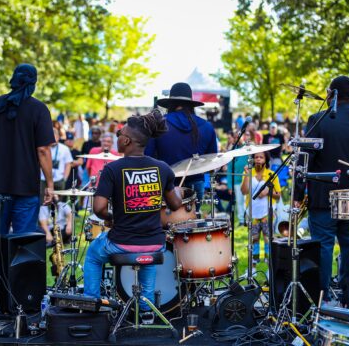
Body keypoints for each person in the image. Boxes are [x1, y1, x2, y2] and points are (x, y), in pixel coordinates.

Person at [83, 109, 182, 324]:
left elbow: (98, 208)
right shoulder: (162, 168)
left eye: (119, 133)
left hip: (122, 243)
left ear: (126, 140)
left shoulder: (113, 169)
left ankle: (91, 302)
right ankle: (145, 309)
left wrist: (110, 218)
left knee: (92, 255)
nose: (118, 136)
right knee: (148, 259)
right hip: (155, 244)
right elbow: (175, 204)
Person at [293, 75, 349, 299]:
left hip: (323, 197)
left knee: (324, 246)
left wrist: (297, 194)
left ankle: (323, 298)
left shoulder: (318, 120)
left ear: (332, 94)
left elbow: (304, 161)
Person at [0, 63, 55, 297]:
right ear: (33, 83)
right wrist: (50, 184)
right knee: (23, 242)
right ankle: (18, 291)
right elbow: (43, 150)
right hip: (26, 188)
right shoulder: (38, 109)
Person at [145, 82, 217, 204]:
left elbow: (148, 157)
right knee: (192, 221)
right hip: (196, 184)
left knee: (166, 222)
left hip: (165, 184)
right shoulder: (207, 127)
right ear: (191, 104)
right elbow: (211, 160)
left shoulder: (158, 124)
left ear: (170, 103)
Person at [240, 151, 281, 266]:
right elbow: (244, 191)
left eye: (261, 157)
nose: (258, 159)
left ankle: (269, 263)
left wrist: (268, 192)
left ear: (266, 160)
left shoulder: (271, 174)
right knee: (254, 238)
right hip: (252, 212)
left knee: (268, 238)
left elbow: (278, 195)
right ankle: (254, 263)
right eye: (256, 157)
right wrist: (247, 175)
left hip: (267, 212)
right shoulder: (248, 172)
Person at [40, 127, 73, 196]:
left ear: (58, 137)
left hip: (59, 180)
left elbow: (68, 164)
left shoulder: (65, 149)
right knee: (43, 203)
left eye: (55, 137)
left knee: (59, 203)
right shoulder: (43, 148)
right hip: (43, 179)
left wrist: (64, 178)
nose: (53, 140)